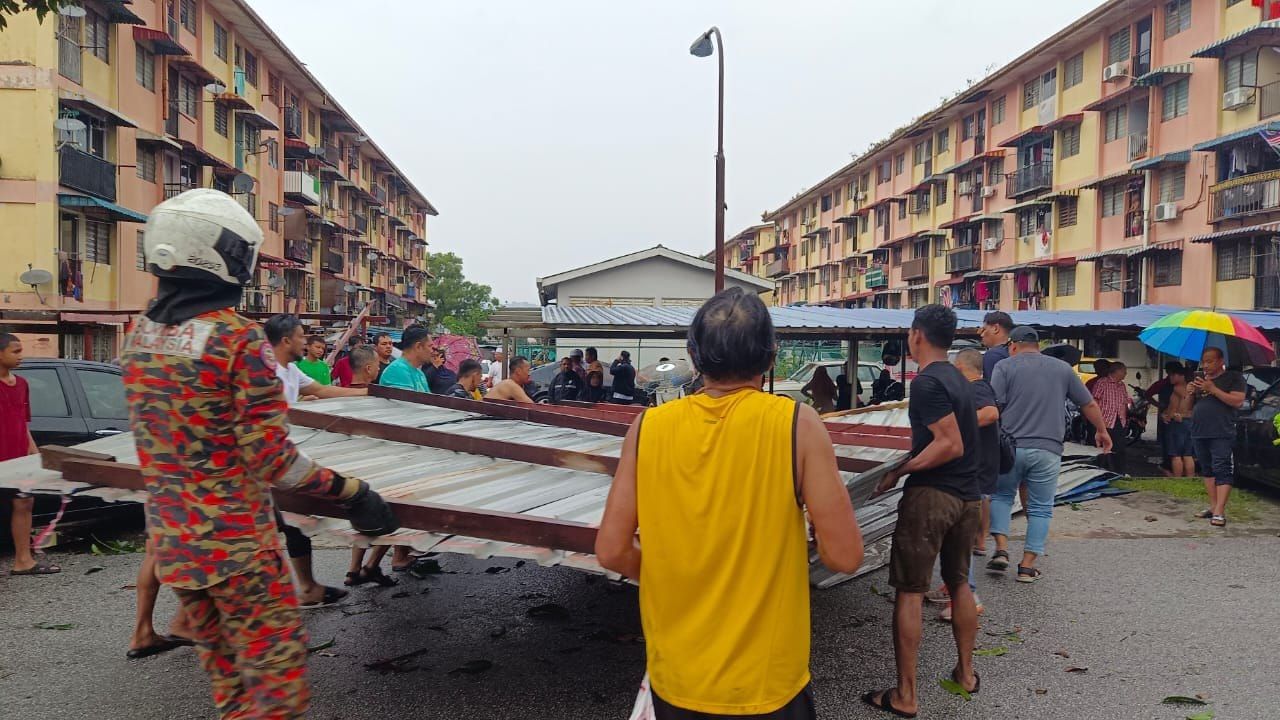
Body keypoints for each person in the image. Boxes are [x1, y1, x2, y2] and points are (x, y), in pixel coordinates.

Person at [121, 189, 397, 718]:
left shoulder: (143, 335)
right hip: (238, 551)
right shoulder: (236, 340)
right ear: (219, 256)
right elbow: (277, 463)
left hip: (177, 549)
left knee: (230, 690)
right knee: (276, 695)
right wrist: (353, 492)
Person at [596, 287, 863, 719]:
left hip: (678, 679)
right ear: (771, 356)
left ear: (693, 355)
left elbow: (611, 549)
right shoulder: (797, 425)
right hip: (769, 684)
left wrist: (671, 579)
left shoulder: (648, 427)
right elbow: (845, 555)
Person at [865, 305, 981, 717]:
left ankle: (905, 695)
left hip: (934, 496)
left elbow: (949, 443)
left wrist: (900, 470)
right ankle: (966, 673)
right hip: (968, 497)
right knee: (959, 582)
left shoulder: (929, 381)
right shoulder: (958, 378)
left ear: (916, 336)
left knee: (911, 590)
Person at [989, 326, 1111, 583]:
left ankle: (1001, 549)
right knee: (1041, 508)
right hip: (1048, 449)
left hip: (1010, 447)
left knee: (1001, 496)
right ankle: (1027, 566)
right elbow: (1087, 403)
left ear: (1013, 345)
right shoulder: (1062, 369)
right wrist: (1101, 430)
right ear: (1036, 344)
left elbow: (994, 406)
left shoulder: (1004, 367)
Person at [932, 348, 998, 623]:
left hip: (971, 473)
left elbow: (991, 413)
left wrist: (954, 426)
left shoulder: (977, 389)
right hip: (975, 471)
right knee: (956, 536)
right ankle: (953, 587)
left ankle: (968, 595)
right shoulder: (974, 389)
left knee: (956, 537)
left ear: (960, 368)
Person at [0, 334, 59, 576]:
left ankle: (23, 560)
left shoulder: (22, 384)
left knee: (24, 503)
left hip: (19, 459)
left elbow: (23, 425)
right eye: (15, 351)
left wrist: (35, 456)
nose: (21, 356)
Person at [1183, 347, 1246, 527]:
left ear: (1220, 361)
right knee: (1207, 469)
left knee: (1222, 468)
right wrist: (1189, 392)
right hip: (1199, 431)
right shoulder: (1200, 380)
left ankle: (1219, 511)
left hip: (1221, 431)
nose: (1206, 365)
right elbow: (1187, 409)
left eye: (1210, 361)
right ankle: (1213, 506)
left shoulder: (1233, 378)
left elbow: (1238, 401)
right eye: (1204, 361)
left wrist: (1213, 388)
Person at [265, 315, 367, 406]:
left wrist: (366, 391)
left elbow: (321, 390)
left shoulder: (292, 369)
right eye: (301, 336)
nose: (304, 342)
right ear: (286, 341)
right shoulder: (265, 373)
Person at [1090, 360, 1130, 475]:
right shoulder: (1102, 382)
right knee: (1104, 449)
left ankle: (1118, 473)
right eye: (1124, 371)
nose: (1125, 374)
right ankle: (1102, 473)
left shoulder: (1121, 385)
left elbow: (1125, 400)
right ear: (1117, 371)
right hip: (1105, 422)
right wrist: (1098, 421)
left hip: (1119, 421)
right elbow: (1094, 401)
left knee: (1119, 448)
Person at [1162, 367, 1196, 478]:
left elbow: (1176, 409)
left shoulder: (1179, 388)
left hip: (1178, 423)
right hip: (1189, 422)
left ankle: (1178, 480)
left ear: (1181, 376)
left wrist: (1170, 415)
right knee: (1187, 454)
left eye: (1173, 375)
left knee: (1176, 455)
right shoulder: (1193, 388)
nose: (1170, 377)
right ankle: (1189, 480)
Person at [379, 325, 433, 393]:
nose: (432, 351)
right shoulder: (397, 370)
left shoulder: (419, 373)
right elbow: (409, 403)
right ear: (418, 346)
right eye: (430, 346)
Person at [980, 311, 1013, 381]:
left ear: (996, 328)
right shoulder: (1017, 352)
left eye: (984, 329)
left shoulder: (993, 355)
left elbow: (993, 389)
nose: (982, 335)